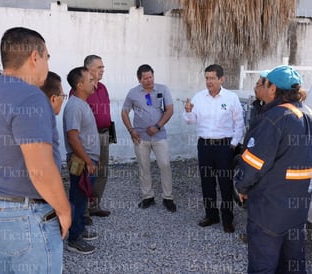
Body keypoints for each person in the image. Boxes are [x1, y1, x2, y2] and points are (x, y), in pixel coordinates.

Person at [0, 27, 71, 273]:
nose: (47, 64)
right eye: (47, 57)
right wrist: (64, 210)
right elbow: (40, 169)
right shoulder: (30, 96)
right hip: (25, 214)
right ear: (34, 58)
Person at [233, 65, 312, 273]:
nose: (260, 87)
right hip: (298, 207)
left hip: (269, 208)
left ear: (273, 89)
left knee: (263, 263)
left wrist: (241, 187)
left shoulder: (274, 118)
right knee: (292, 262)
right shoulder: (310, 116)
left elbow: (253, 164)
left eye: (264, 83)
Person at [184, 64, 245, 233]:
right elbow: (190, 120)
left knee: (225, 184)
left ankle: (227, 219)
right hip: (204, 146)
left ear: (221, 79)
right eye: (206, 78)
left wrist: (233, 144)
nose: (208, 81)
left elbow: (239, 123)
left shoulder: (231, 98)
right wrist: (188, 111)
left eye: (212, 78)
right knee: (207, 183)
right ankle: (211, 215)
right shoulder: (198, 97)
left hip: (224, 147)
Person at [121, 64, 176, 212]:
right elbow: (124, 112)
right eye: (145, 78)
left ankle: (168, 197)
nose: (149, 80)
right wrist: (131, 130)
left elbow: (170, 110)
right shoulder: (132, 93)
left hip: (159, 135)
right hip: (140, 137)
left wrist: (157, 126)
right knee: (144, 167)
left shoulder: (162, 89)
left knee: (165, 165)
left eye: (150, 77)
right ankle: (147, 196)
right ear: (139, 79)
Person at [63, 66, 100, 254]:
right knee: (77, 198)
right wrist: (88, 160)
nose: (94, 83)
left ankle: (79, 229)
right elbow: (72, 136)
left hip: (86, 160)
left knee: (82, 197)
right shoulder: (74, 106)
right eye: (90, 80)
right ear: (79, 84)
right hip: (81, 162)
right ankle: (73, 239)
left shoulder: (82, 103)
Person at [83, 55, 112, 218]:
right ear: (88, 69)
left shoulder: (103, 88)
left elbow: (107, 114)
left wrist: (110, 134)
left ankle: (94, 205)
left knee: (102, 171)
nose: (102, 70)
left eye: (103, 67)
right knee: (88, 173)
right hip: (89, 138)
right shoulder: (81, 88)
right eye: (99, 67)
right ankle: (83, 211)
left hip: (104, 135)